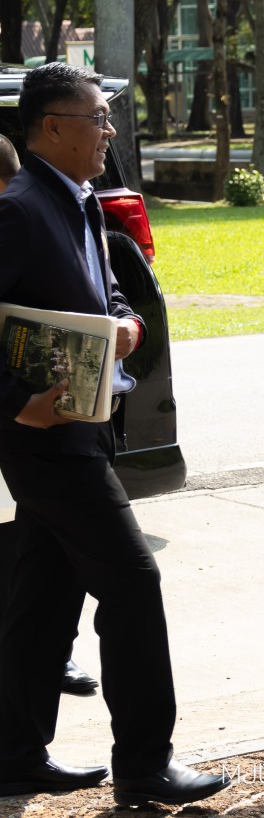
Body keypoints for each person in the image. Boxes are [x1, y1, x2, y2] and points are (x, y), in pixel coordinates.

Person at [0, 63, 229, 807]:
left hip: (90, 425)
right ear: (52, 127)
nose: (109, 131)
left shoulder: (78, 198)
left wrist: (126, 322)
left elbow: (109, 288)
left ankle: (13, 754)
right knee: (133, 583)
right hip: (48, 439)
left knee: (43, 594)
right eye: (97, 119)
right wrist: (19, 404)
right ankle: (144, 763)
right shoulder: (20, 208)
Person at [0, 133, 100, 700]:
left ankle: (50, 657)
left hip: (40, 425)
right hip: (22, 424)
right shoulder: (20, 214)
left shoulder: (59, 208)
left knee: (32, 553)